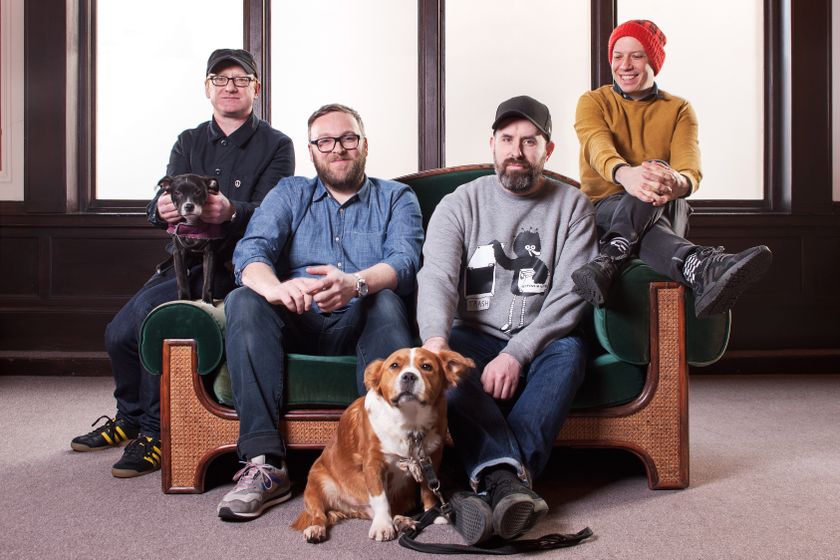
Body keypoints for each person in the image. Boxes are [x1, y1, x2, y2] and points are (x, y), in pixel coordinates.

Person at [69, 49, 295, 478]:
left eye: (240, 79)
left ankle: (156, 433)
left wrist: (230, 210)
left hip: (237, 268)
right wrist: (161, 209)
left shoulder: (276, 144)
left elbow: (276, 212)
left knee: (158, 325)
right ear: (207, 87)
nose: (230, 86)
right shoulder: (188, 140)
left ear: (256, 89)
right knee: (118, 332)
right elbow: (161, 204)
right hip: (183, 262)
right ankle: (130, 417)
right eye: (220, 78)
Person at [215, 103, 424, 521]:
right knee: (243, 298)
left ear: (364, 145)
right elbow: (250, 252)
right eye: (325, 141)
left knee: (385, 299)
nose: (338, 149)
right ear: (312, 151)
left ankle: (387, 459)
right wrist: (276, 289)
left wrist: (355, 284)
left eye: (347, 139)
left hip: (361, 318)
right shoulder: (290, 193)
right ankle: (264, 465)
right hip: (295, 318)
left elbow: (405, 260)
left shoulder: (396, 197)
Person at [416, 96, 598, 544]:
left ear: (548, 150)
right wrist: (436, 344)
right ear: (493, 145)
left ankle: (490, 479)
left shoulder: (574, 206)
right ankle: (509, 484)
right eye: (507, 139)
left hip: (544, 340)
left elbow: (572, 293)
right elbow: (437, 275)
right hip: (471, 335)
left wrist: (517, 352)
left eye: (530, 141)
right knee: (450, 369)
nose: (517, 150)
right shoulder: (459, 203)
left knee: (571, 352)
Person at [571, 19, 772, 318]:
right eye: (617, 56)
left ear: (653, 60)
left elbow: (690, 170)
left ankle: (610, 257)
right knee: (651, 177)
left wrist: (674, 181)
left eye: (636, 55)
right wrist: (628, 176)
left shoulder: (679, 108)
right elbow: (597, 147)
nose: (624, 65)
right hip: (604, 208)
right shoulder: (593, 101)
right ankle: (700, 266)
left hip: (664, 206)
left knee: (659, 170)